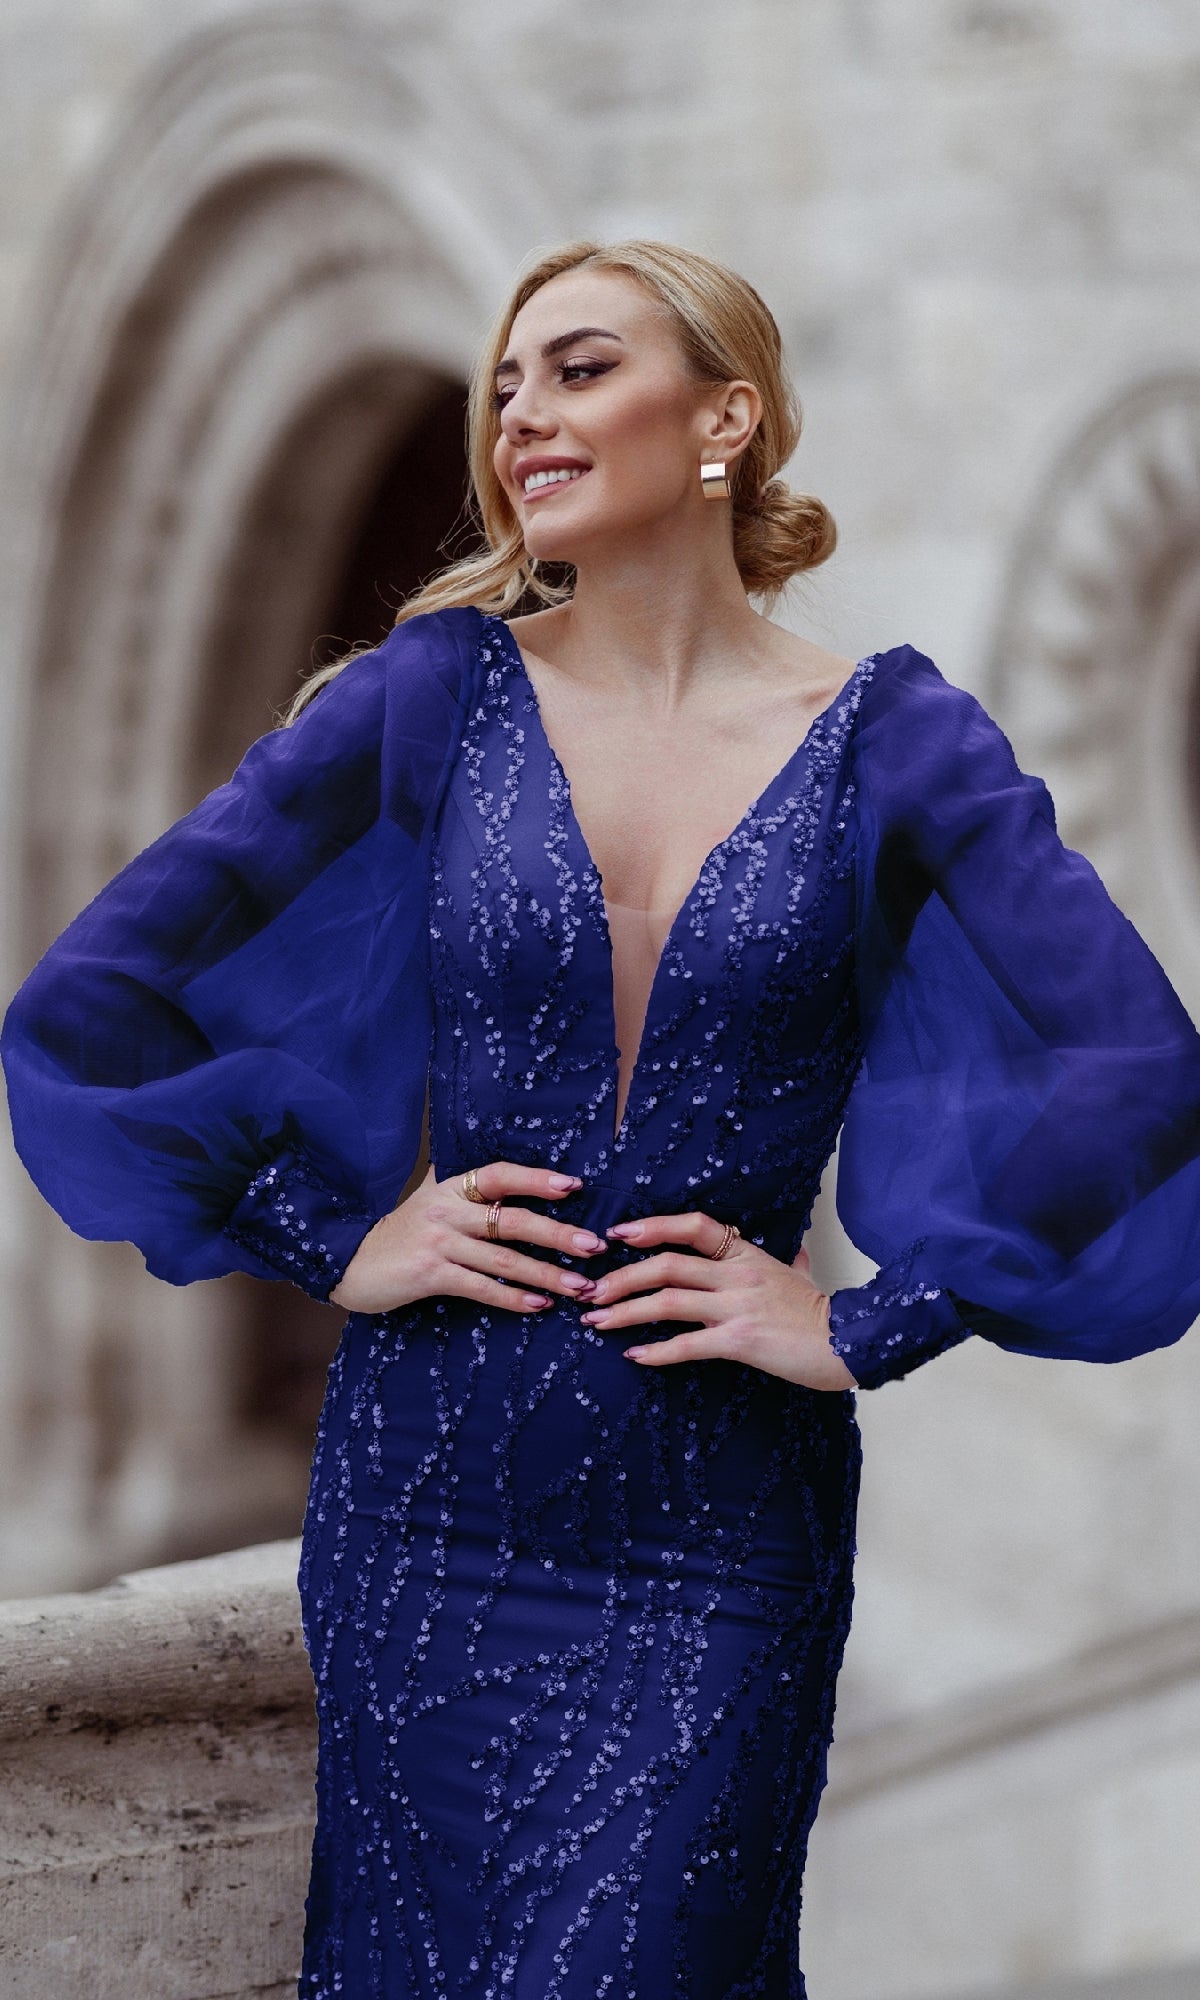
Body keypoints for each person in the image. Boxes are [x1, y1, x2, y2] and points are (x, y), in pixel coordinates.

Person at [5, 238, 1200, 1999]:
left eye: (575, 370)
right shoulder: (430, 698)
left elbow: (1138, 1073)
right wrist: (333, 1239)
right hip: (428, 1505)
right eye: (503, 388)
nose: (521, 420)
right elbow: (89, 1007)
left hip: (722, 1529)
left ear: (726, 418)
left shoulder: (900, 739)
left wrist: (875, 1317)